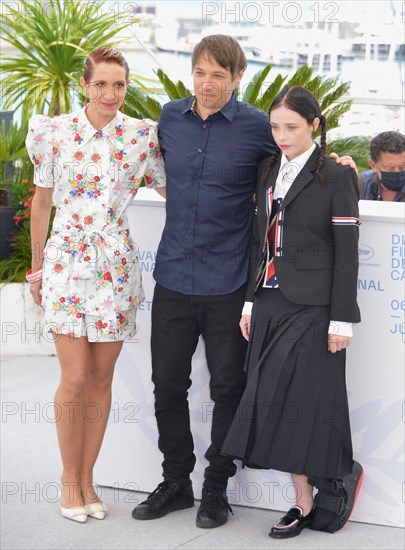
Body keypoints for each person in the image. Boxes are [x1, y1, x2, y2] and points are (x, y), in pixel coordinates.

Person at [131, 34, 356, 529]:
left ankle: (216, 489)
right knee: (167, 384)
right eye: (200, 72)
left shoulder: (259, 126)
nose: (207, 84)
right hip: (172, 274)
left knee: (228, 388)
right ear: (191, 74)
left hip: (229, 282)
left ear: (237, 79)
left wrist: (341, 163)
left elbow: (300, 156)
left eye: (219, 75)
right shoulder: (169, 119)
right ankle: (174, 482)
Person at [26, 47, 166, 523]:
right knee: (76, 377)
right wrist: (37, 268)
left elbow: (179, 187)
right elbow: (42, 204)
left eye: (119, 85)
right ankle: (69, 480)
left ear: (127, 87)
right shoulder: (55, 133)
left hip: (115, 267)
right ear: (85, 85)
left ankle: (88, 479)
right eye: (102, 84)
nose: (110, 93)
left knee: (103, 379)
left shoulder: (142, 137)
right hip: (65, 263)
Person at [222, 85, 363, 539]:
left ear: (315, 126)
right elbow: (256, 243)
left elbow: (348, 252)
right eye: (275, 127)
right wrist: (248, 300)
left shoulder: (337, 176)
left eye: (292, 127)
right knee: (271, 401)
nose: (282, 136)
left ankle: (331, 479)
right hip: (268, 299)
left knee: (307, 403)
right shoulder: (267, 170)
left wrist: (341, 319)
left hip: (316, 307)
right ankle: (303, 499)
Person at [358, 131, 405, 201]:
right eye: (389, 168)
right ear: (373, 165)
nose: (397, 171)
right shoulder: (360, 185)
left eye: (403, 166)